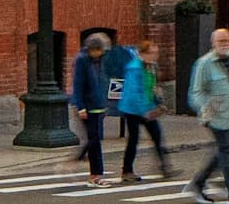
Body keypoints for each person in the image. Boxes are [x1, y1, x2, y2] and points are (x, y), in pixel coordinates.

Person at [187, 24, 229, 204]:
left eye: (227, 41)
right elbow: (196, 93)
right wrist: (206, 108)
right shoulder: (205, 63)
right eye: (221, 41)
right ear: (213, 43)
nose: (225, 44)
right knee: (227, 153)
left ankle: (200, 184)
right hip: (218, 118)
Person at [116, 39, 172, 181]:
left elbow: (151, 88)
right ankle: (126, 171)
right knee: (133, 140)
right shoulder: (135, 68)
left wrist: (158, 103)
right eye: (152, 53)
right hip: (132, 109)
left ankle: (165, 167)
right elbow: (136, 92)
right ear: (143, 53)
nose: (155, 56)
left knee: (157, 136)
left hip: (146, 107)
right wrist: (145, 111)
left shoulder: (151, 67)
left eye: (156, 53)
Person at [70, 30, 110, 182]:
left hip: (98, 105)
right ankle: (96, 174)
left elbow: (102, 82)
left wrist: (104, 103)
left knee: (95, 139)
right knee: (94, 141)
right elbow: (78, 85)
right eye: (97, 51)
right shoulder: (82, 61)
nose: (98, 54)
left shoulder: (100, 61)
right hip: (87, 106)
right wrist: (80, 107)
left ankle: (79, 160)